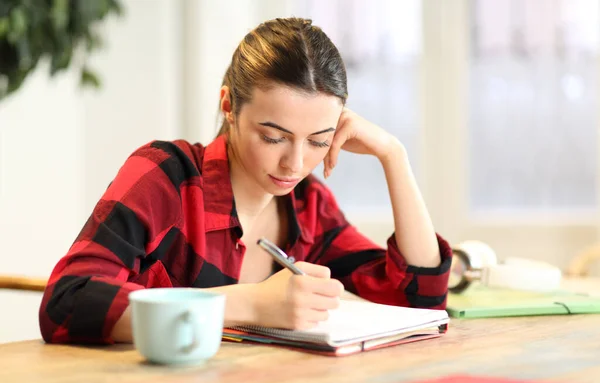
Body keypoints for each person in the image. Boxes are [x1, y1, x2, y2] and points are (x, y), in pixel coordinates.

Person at [39, 17, 451, 344]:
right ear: (228, 106)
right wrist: (250, 304)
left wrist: (394, 156)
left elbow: (421, 299)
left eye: (318, 142)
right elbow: (66, 302)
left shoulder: (308, 206)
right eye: (273, 137)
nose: (295, 162)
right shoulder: (167, 176)